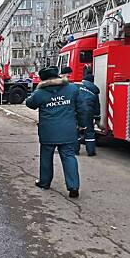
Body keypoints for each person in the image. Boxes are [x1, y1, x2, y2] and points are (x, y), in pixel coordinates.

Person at [26, 66, 86, 198]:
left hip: (48, 130)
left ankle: (44, 182)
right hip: (68, 129)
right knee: (69, 156)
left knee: (46, 156)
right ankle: (73, 186)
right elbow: (81, 108)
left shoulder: (40, 93)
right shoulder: (72, 88)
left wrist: (37, 89)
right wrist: (82, 125)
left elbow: (30, 104)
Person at [76, 73, 100, 156]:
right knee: (89, 131)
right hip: (88, 113)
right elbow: (97, 106)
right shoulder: (94, 92)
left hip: (76, 111)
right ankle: (91, 152)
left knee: (76, 131)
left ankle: (75, 150)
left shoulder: (77, 87)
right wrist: (97, 117)